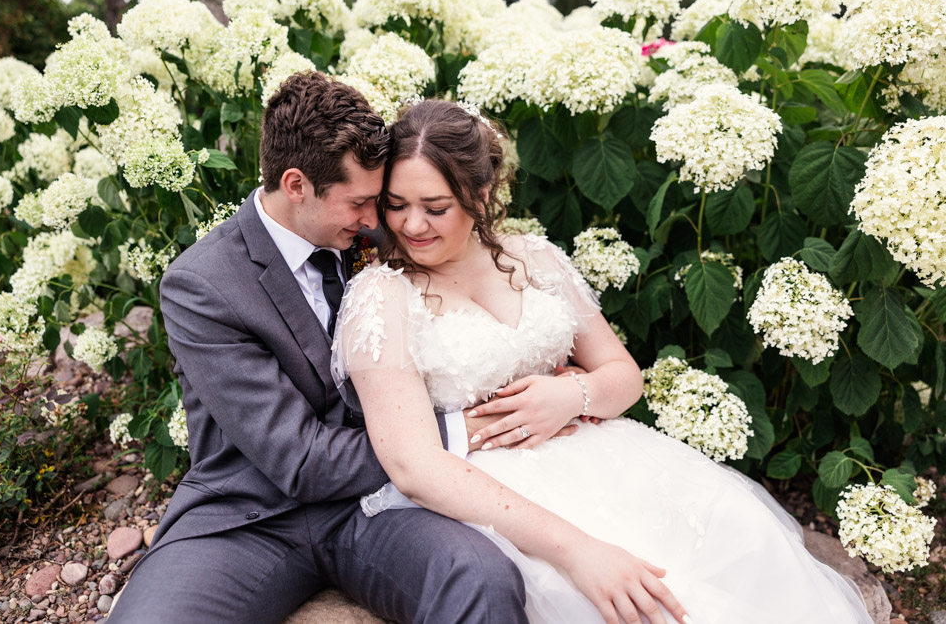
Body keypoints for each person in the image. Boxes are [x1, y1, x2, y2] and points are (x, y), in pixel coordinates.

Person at [332, 99, 875, 624]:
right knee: (634, 593)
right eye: (396, 205)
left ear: (481, 193)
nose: (411, 226)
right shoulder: (381, 295)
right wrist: (579, 551)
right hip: (491, 491)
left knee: (741, 531)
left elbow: (624, 377)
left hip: (599, 455)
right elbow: (413, 465)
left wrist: (572, 395)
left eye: (435, 208)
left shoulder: (536, 260)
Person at [108, 74, 531, 624]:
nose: (377, 220)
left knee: (482, 578)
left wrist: (552, 379)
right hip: (251, 516)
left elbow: (473, 286)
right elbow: (301, 460)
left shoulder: (386, 234)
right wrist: (456, 430)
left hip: (381, 511)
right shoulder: (203, 285)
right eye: (359, 203)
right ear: (296, 184)